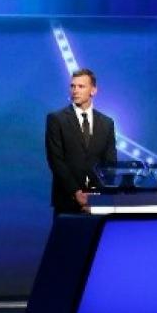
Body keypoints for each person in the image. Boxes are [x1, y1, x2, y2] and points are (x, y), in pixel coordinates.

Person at [44, 68, 117, 215]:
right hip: (67, 200)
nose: (75, 90)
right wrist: (76, 192)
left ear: (93, 90)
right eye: (73, 86)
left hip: (98, 201)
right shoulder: (56, 119)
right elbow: (56, 160)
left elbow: (110, 163)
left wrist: (97, 195)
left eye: (81, 86)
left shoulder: (107, 123)